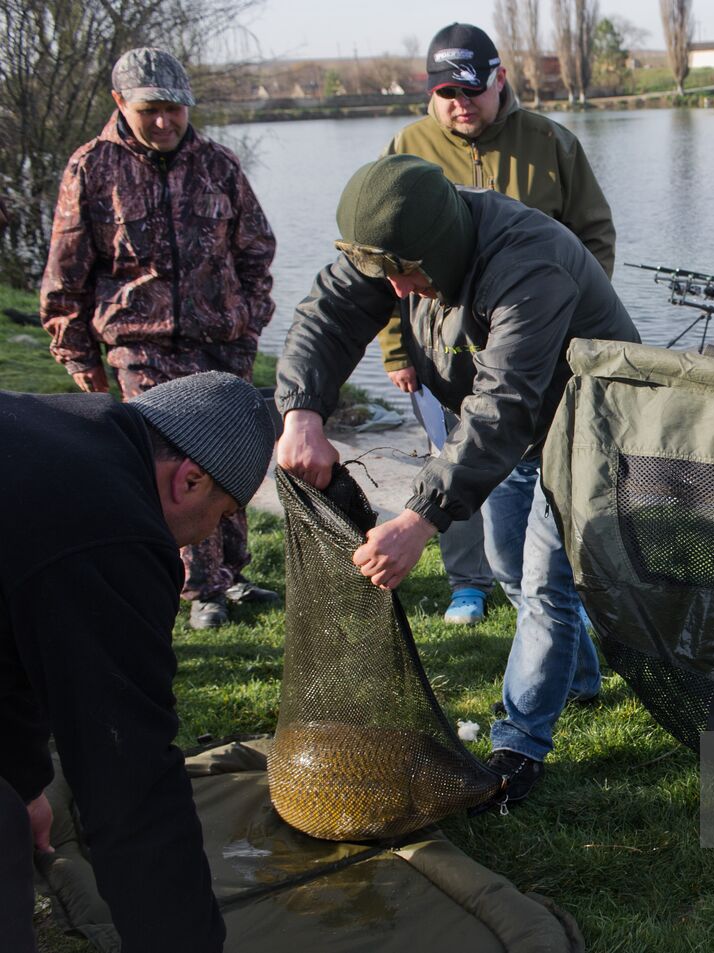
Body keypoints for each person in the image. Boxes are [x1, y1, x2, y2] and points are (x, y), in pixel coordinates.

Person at [275, 155, 639, 806]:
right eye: (380, 274)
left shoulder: (529, 261)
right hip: (512, 430)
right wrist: (301, 410)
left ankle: (518, 748)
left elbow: (504, 403)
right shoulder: (398, 250)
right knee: (506, 565)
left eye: (403, 275)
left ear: (436, 253)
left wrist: (420, 518)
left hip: (590, 424)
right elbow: (327, 313)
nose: (392, 290)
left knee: (544, 587)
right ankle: (579, 678)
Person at [1, 371, 276, 953]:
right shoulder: (110, 534)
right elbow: (127, 776)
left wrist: (24, 782)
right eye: (225, 513)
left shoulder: (56, 427)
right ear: (190, 480)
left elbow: (16, 641)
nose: (216, 531)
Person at [377, 22, 616, 626]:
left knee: (550, 473)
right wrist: (396, 351)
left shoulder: (551, 142)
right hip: (444, 355)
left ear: (499, 80)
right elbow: (379, 259)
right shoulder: (404, 148)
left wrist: (571, 322)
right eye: (444, 94)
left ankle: (563, 590)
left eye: (470, 91)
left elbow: (593, 239)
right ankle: (468, 583)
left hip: (537, 347)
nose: (459, 105)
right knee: (451, 456)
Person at [39, 47, 279, 630]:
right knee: (175, 471)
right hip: (139, 346)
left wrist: (248, 317)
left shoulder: (219, 164)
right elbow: (64, 274)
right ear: (121, 104)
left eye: (175, 109)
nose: (166, 121)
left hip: (222, 343)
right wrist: (78, 357)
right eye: (151, 110)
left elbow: (257, 249)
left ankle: (233, 573)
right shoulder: (91, 167)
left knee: (231, 460)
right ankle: (199, 590)